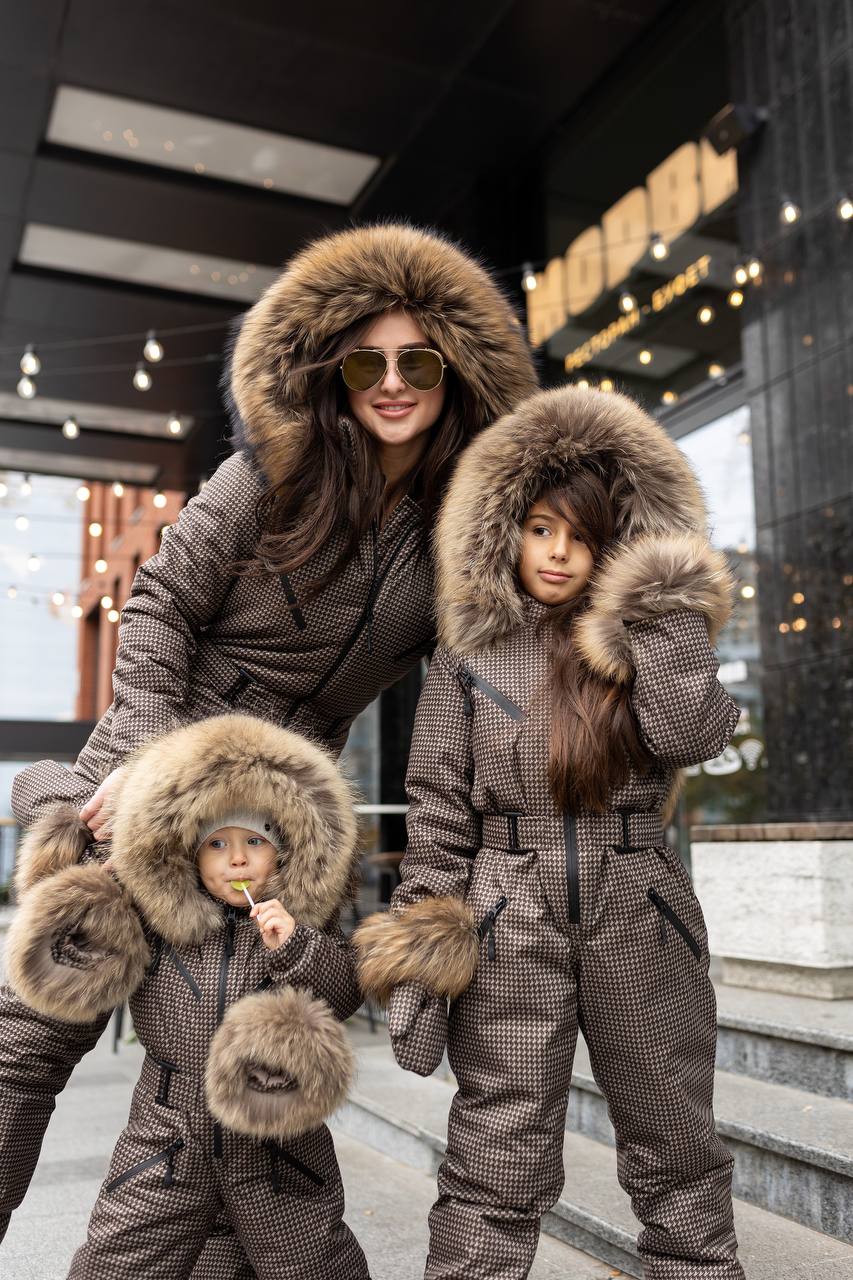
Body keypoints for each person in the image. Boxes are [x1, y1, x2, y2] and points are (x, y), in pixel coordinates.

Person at [0, 220, 537, 1275]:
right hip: (152, 775)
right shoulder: (271, 472)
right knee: (26, 1043)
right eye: (366, 363)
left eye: (419, 363)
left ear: (456, 375)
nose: (392, 383)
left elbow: (470, 698)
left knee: (240, 1068)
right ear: (333, 371)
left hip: (286, 817)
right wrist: (145, 761)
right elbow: (157, 606)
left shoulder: (460, 536)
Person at [355, 384, 745, 1279]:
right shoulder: (466, 656)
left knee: (675, 1142)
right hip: (506, 912)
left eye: (582, 534)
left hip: (640, 905)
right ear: (506, 533)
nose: (559, 552)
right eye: (539, 528)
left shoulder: (649, 636)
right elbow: (438, 815)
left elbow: (691, 734)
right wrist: (422, 944)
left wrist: (665, 608)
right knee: (495, 1151)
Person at [7, 713, 367, 1279]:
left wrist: (297, 947)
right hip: (167, 1132)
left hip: (280, 1141)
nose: (237, 859)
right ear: (190, 853)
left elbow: (344, 994)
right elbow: (32, 781)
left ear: (285, 851)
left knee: (314, 1261)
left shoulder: (297, 927)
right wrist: (106, 802)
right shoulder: (154, 919)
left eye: (255, 842)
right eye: (217, 843)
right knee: (119, 1256)